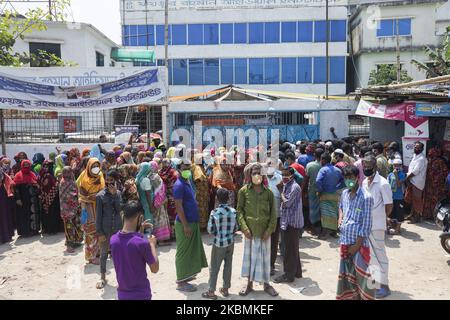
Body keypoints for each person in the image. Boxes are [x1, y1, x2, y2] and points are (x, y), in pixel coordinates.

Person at [237, 162, 278, 297]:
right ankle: (248, 284)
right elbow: (240, 212)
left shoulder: (269, 193)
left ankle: (267, 284)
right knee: (249, 259)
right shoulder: (243, 191)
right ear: (250, 175)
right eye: (254, 173)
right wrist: (244, 228)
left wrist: (269, 230)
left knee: (265, 259)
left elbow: (273, 214)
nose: (257, 176)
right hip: (250, 232)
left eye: (259, 173)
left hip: (265, 232)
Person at [336, 165, 374, 300]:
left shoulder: (366, 197)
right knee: (348, 275)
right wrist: (340, 218)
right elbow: (341, 207)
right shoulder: (345, 194)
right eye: (346, 178)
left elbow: (366, 225)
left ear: (358, 178)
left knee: (363, 277)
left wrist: (355, 247)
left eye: (351, 178)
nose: (349, 181)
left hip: (358, 245)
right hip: (345, 241)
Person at [111, 200, 159, 300]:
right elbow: (155, 269)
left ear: (123, 215)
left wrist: (140, 233)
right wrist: (152, 244)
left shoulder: (113, 240)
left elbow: (129, 243)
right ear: (141, 217)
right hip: (141, 295)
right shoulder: (143, 243)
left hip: (122, 295)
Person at [173, 159, 208, 292]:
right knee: (183, 252)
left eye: (188, 166)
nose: (187, 169)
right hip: (184, 223)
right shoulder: (178, 185)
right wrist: (186, 225)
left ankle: (187, 276)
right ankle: (181, 282)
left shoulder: (186, 182)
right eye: (184, 167)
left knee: (191, 250)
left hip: (192, 221)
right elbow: (178, 206)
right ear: (179, 169)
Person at [362, 155, 393, 299]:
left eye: (368, 166)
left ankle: (385, 286)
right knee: (370, 256)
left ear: (375, 167)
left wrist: (381, 217)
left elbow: (389, 206)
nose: (366, 168)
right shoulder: (363, 182)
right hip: (366, 225)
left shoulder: (383, 183)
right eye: (364, 166)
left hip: (378, 225)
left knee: (380, 256)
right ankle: (376, 284)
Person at [202, 188, 239, 300]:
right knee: (228, 265)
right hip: (230, 242)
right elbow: (236, 228)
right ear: (228, 198)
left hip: (219, 243)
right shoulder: (233, 211)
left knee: (214, 267)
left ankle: (211, 291)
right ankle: (225, 288)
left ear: (217, 199)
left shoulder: (215, 213)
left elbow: (210, 230)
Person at [274, 167, 304, 283]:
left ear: (292, 175)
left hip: (292, 222)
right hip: (287, 221)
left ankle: (288, 275)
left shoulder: (294, 187)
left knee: (289, 250)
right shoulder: (288, 185)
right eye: (283, 175)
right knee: (293, 248)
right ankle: (297, 272)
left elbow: (287, 203)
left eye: (286, 175)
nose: (284, 177)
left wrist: (281, 191)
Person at [95, 170, 123, 289]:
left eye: (112, 180)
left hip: (117, 229)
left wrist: (115, 195)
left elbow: (119, 209)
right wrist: (100, 232)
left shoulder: (118, 194)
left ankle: (121, 278)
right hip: (105, 230)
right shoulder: (100, 196)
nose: (109, 182)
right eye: (108, 180)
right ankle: (102, 276)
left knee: (118, 254)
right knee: (103, 254)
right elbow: (98, 216)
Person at [76, 158, 105, 265]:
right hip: (88, 208)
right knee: (90, 233)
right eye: (93, 166)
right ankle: (91, 257)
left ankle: (97, 253)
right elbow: (82, 196)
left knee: (99, 231)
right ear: (88, 167)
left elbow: (103, 190)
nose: (95, 169)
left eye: (97, 166)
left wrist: (98, 196)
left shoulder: (100, 176)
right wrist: (84, 212)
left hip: (99, 207)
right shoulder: (84, 179)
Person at [316, 152, 344, 239]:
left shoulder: (323, 169)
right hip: (334, 194)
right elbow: (343, 182)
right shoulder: (338, 170)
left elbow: (318, 181)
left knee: (325, 214)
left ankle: (324, 233)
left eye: (321, 159)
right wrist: (336, 187)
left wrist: (320, 190)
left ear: (323, 160)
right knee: (333, 213)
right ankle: (334, 232)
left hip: (325, 194)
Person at [59, 166, 83, 253]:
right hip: (66, 210)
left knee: (76, 224)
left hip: (74, 208)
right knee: (69, 227)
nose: (67, 174)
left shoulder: (72, 181)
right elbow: (67, 196)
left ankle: (76, 241)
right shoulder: (63, 183)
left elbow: (76, 192)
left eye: (69, 172)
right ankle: (69, 245)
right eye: (65, 172)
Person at [14, 159, 40, 238]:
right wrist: (18, 199)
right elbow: (16, 189)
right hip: (23, 200)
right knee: (24, 215)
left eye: (27, 165)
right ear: (21, 166)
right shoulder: (18, 175)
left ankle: (34, 230)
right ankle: (25, 232)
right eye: (24, 165)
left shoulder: (32, 174)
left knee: (33, 214)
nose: (26, 167)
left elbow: (36, 184)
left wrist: (37, 191)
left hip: (32, 200)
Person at [405, 142, 428, 224]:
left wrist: (406, 178)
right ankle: (411, 215)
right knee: (411, 200)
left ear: (422, 149)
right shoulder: (415, 156)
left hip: (417, 183)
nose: (416, 149)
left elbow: (415, 171)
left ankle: (416, 218)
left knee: (417, 201)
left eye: (418, 148)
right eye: (415, 147)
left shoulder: (421, 159)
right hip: (412, 181)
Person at [149, 161, 171, 244]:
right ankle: (161, 239)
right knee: (161, 219)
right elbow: (160, 189)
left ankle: (156, 238)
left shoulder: (148, 176)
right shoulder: (156, 177)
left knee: (155, 219)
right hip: (159, 201)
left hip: (152, 201)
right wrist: (163, 199)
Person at [422, 147, 448, 220]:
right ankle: (428, 215)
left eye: (432, 153)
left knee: (435, 200)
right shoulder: (428, 160)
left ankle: (435, 216)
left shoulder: (440, 161)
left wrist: (438, 177)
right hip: (429, 184)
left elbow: (445, 173)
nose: (430, 155)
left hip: (437, 185)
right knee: (428, 200)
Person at [266, 164, 283, 276]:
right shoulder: (260, 179)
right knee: (263, 241)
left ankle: (271, 265)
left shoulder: (279, 178)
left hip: (276, 215)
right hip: (264, 216)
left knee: (273, 241)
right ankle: (263, 265)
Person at [40, 160, 64, 235]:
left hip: (46, 198)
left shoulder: (44, 175)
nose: (46, 168)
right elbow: (51, 186)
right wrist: (58, 183)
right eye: (45, 166)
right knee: (52, 213)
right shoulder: (48, 176)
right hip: (51, 198)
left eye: (48, 166)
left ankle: (49, 228)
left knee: (49, 213)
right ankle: (52, 229)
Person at [306, 148, 324, 236]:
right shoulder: (324, 165)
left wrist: (304, 191)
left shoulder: (310, 165)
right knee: (321, 209)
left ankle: (313, 229)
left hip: (312, 190)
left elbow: (306, 179)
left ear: (314, 155)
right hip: (323, 191)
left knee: (312, 209)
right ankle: (321, 228)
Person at [387, 159, 406, 234]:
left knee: (399, 213)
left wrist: (396, 175)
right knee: (392, 213)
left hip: (399, 197)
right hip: (392, 197)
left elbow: (399, 184)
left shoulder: (402, 174)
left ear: (401, 166)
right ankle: (393, 227)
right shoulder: (390, 175)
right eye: (395, 165)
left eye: (398, 165)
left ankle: (398, 229)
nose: (396, 167)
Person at [135, 163, 155, 236]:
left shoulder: (138, 178)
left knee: (143, 222)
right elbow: (148, 194)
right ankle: (148, 239)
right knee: (149, 222)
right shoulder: (146, 180)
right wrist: (151, 206)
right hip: (147, 204)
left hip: (142, 203)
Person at [191, 153, 210, 229]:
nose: (202, 160)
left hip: (201, 192)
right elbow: (199, 178)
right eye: (200, 159)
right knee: (201, 209)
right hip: (200, 192)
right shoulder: (197, 167)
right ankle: (201, 226)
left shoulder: (198, 166)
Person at [159, 158, 179, 228]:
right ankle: (175, 231)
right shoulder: (174, 172)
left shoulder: (160, 172)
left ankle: (171, 231)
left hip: (164, 196)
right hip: (173, 196)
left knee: (168, 213)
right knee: (174, 213)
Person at [0, 168, 15, 244]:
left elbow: (6, 179)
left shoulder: (0, 170)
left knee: (3, 214)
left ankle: (5, 236)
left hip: (1, 194)